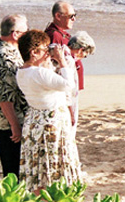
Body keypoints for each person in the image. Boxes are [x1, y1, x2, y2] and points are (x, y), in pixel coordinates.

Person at [16, 30, 81, 193]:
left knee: (39, 165)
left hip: (35, 119)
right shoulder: (39, 73)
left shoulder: (21, 72)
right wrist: (61, 61)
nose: (47, 53)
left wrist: (48, 60)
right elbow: (68, 84)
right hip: (51, 122)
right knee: (54, 163)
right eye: (45, 50)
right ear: (34, 53)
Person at [0, 14, 29, 178]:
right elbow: (5, 98)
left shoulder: (10, 50)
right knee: (12, 171)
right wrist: (15, 126)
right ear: (15, 34)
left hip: (12, 119)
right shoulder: (4, 56)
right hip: (8, 123)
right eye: (25, 32)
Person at [44, 1, 84, 91]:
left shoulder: (62, 34)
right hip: (65, 85)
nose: (74, 19)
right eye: (71, 16)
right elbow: (54, 64)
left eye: (75, 15)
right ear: (58, 16)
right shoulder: (54, 35)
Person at [65, 31, 96, 134]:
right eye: (85, 55)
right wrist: (70, 111)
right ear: (81, 50)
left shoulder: (63, 55)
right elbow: (66, 89)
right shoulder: (68, 60)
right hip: (66, 103)